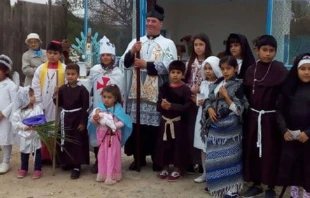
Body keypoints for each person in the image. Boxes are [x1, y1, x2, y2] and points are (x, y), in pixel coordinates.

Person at [120, 4, 177, 171]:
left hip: (157, 90)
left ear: (160, 24)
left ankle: (157, 158)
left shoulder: (168, 44)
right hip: (136, 89)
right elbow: (124, 63)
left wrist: (147, 64)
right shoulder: (136, 41)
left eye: (154, 21)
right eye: (148, 21)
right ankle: (139, 157)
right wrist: (132, 51)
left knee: (155, 127)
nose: (150, 24)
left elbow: (171, 66)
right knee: (138, 125)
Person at [243, 35, 288, 198]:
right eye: (265, 50)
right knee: (253, 151)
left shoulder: (280, 69)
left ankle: (270, 186)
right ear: (257, 51)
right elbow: (246, 93)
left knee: (271, 151)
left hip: (271, 118)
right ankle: (256, 184)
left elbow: (285, 95)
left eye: (272, 50)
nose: (268, 54)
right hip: (254, 117)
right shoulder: (251, 70)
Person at [202, 56, 248, 198]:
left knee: (231, 158)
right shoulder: (216, 84)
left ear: (236, 69)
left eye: (229, 68)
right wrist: (209, 108)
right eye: (223, 69)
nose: (225, 72)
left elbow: (240, 109)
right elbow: (208, 100)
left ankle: (232, 189)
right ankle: (217, 185)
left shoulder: (240, 86)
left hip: (231, 130)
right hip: (215, 128)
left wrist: (226, 97)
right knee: (214, 158)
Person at [88, 36, 124, 174]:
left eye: (108, 55)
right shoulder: (95, 70)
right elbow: (90, 88)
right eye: (103, 55)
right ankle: (98, 160)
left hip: (113, 110)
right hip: (98, 106)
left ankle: (111, 161)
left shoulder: (117, 72)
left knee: (110, 135)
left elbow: (121, 92)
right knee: (97, 134)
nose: (105, 57)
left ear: (113, 56)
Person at [276, 53, 310, 198]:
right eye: (303, 69)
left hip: (308, 137)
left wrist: (308, 132)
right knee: (293, 166)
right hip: (291, 135)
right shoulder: (288, 88)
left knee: (308, 166)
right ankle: (294, 193)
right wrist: (284, 130)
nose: (307, 72)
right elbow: (279, 111)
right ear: (296, 70)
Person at [155, 60, 191, 182]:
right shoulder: (164, 87)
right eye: (173, 72)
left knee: (178, 146)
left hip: (178, 123)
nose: (175, 75)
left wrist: (172, 106)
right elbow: (158, 105)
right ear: (169, 73)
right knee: (164, 145)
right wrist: (162, 106)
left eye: (178, 72)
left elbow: (187, 107)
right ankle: (164, 167)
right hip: (165, 121)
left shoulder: (185, 89)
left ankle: (177, 169)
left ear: (183, 75)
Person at [53, 63, 89, 179]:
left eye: (73, 74)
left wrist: (83, 122)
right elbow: (58, 104)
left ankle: (76, 166)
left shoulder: (82, 90)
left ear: (78, 75)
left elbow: (85, 108)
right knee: (65, 141)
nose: (70, 76)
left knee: (76, 142)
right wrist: (55, 95)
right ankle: (67, 162)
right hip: (66, 118)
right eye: (68, 74)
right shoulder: (62, 89)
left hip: (77, 118)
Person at [90, 85, 132, 185]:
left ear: (115, 98)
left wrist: (113, 126)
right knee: (102, 155)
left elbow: (123, 122)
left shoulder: (118, 109)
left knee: (113, 155)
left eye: (109, 97)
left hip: (114, 137)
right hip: (103, 138)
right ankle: (103, 174)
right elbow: (92, 122)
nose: (106, 100)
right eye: (104, 97)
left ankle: (112, 175)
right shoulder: (99, 109)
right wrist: (95, 118)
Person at [32, 40, 66, 163]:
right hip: (42, 102)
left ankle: (54, 156)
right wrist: (39, 103)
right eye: (49, 53)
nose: (52, 56)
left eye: (55, 53)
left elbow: (67, 86)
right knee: (43, 128)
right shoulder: (41, 69)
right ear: (46, 53)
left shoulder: (64, 69)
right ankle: (43, 156)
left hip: (56, 104)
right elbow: (35, 86)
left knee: (55, 128)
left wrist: (60, 94)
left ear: (60, 54)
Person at [184, 33, 213, 174]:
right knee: (191, 132)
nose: (198, 47)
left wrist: (200, 93)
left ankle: (203, 165)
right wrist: (191, 92)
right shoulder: (189, 62)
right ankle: (192, 162)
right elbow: (186, 81)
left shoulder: (211, 62)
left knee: (203, 132)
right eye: (196, 44)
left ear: (206, 46)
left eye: (201, 44)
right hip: (191, 101)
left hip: (204, 101)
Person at [193, 56, 222, 183]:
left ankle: (213, 174)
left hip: (213, 117)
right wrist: (198, 101)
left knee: (212, 147)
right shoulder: (203, 83)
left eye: (211, 68)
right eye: (206, 68)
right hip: (201, 116)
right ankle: (205, 173)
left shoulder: (221, 84)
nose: (208, 71)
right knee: (202, 146)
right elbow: (201, 98)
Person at [11, 87, 43, 179]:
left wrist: (39, 126)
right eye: (31, 95)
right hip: (24, 135)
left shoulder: (37, 108)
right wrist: (24, 127)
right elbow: (16, 122)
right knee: (24, 153)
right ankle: (24, 168)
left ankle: (38, 169)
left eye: (33, 95)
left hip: (35, 134)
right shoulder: (20, 112)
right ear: (25, 98)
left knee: (37, 152)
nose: (34, 97)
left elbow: (41, 118)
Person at [0, 54, 18, 174]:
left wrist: (3, 113)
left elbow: (14, 102)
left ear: (6, 71)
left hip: (5, 117)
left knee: (5, 138)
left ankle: (5, 161)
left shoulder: (10, 85)